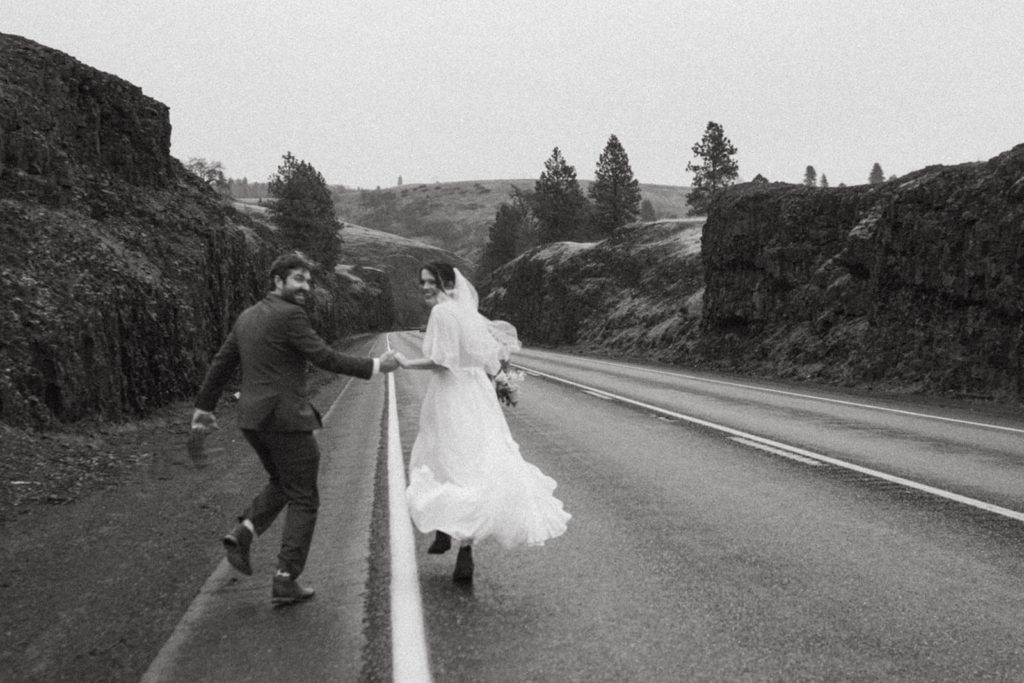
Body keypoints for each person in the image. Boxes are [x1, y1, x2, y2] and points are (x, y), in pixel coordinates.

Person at [191, 252, 399, 605]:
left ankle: (244, 533)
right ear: (278, 281)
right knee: (304, 496)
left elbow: (221, 363)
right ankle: (286, 577)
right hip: (285, 420)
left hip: (252, 421)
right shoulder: (290, 315)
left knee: (283, 483)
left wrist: (203, 409)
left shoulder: (246, 317)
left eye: (308, 280)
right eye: (298, 279)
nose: (305, 286)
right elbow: (323, 357)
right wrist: (377, 364)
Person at [394, 262, 570, 583]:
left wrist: (405, 362)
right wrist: (503, 384)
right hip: (477, 395)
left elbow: (442, 363)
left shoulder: (441, 314)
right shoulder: (465, 312)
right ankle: (459, 542)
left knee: (441, 460)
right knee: (475, 463)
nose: (424, 288)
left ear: (447, 283)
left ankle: (447, 530)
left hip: (450, 396)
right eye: (421, 282)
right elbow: (488, 356)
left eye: (430, 282)